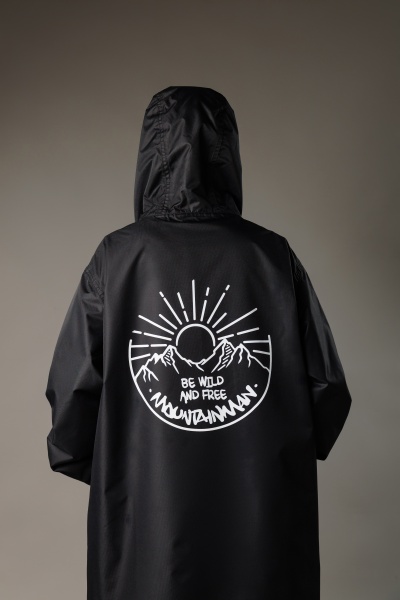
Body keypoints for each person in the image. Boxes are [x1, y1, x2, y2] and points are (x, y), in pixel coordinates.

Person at [45, 85, 352, 600]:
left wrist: (108, 464)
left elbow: (74, 390)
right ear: (227, 155)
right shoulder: (273, 257)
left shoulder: (116, 258)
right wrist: (280, 448)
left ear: (149, 155)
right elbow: (328, 389)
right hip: (261, 521)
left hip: (146, 524)